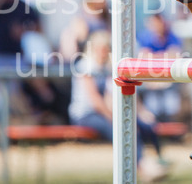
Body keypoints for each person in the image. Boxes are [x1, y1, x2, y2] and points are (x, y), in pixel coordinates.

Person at [69, 30, 167, 180]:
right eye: (101, 48)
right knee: (121, 128)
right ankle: (143, 168)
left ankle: (158, 161)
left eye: (106, 48)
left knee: (143, 125)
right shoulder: (85, 66)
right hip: (85, 114)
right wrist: (113, 117)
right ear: (93, 48)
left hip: (103, 111)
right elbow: (95, 101)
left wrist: (139, 113)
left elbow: (111, 95)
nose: (104, 52)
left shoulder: (107, 67)